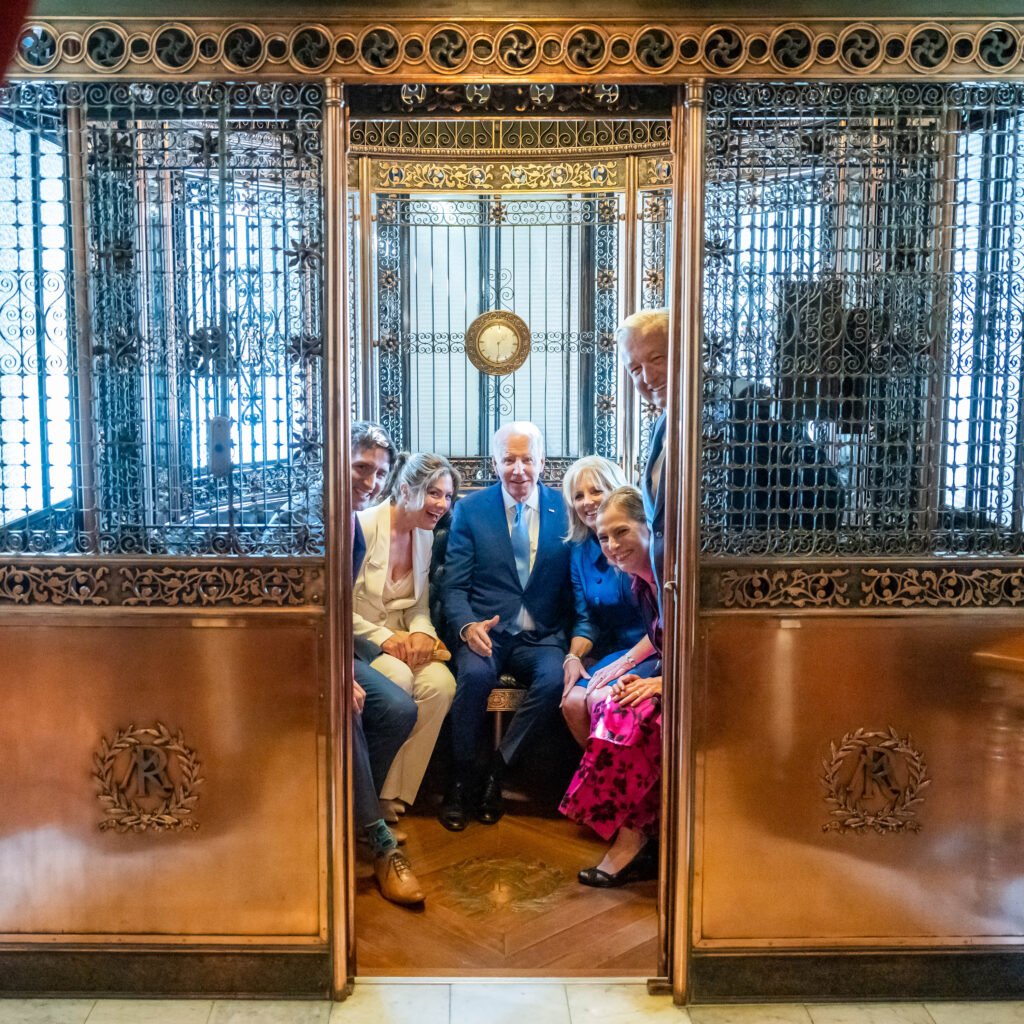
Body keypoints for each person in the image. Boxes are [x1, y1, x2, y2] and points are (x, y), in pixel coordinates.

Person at [439, 421, 572, 830]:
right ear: (494, 462)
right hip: (486, 634)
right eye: (508, 459)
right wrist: (466, 628)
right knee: (475, 678)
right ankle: (461, 779)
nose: (518, 470)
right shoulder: (470, 510)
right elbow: (454, 586)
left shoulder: (565, 509)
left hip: (542, 635)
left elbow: (577, 582)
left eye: (527, 459)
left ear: (542, 463)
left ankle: (496, 771)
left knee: (554, 682)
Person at [560, 487, 662, 888]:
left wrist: (663, 683)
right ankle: (636, 830)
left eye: (621, 532)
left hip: (704, 682)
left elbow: (715, 649)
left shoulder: (673, 575)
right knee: (612, 704)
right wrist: (631, 670)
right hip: (664, 672)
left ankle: (629, 839)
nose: (613, 545)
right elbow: (660, 636)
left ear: (648, 527)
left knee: (631, 719)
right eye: (604, 537)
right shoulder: (642, 581)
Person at [354, 452, 459, 816]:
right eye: (434, 493)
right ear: (404, 490)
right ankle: (369, 792)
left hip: (405, 639)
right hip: (361, 642)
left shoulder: (425, 537)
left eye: (447, 496)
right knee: (398, 678)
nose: (442, 505)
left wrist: (421, 635)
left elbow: (419, 605)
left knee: (440, 686)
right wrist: (384, 639)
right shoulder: (364, 527)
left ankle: (392, 790)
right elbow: (338, 605)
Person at [349, 421, 424, 905]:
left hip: (334, 649)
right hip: (288, 652)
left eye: (377, 474)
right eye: (360, 467)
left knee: (399, 708)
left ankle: (352, 808)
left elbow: (331, 607)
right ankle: (375, 834)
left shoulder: (349, 526)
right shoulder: (304, 515)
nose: (369, 482)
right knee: (346, 709)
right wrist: (335, 673)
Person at [559, 456, 652, 747]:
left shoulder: (641, 541)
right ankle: (598, 776)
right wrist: (573, 658)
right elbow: (586, 620)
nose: (588, 501)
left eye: (596, 490)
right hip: (616, 649)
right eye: (578, 495)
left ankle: (611, 781)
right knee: (571, 701)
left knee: (601, 697)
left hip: (653, 646)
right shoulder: (580, 551)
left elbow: (663, 618)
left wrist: (625, 662)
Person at [616, 309, 669, 591]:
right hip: (673, 593)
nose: (647, 377)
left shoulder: (738, 404)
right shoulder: (662, 424)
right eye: (635, 369)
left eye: (656, 358)